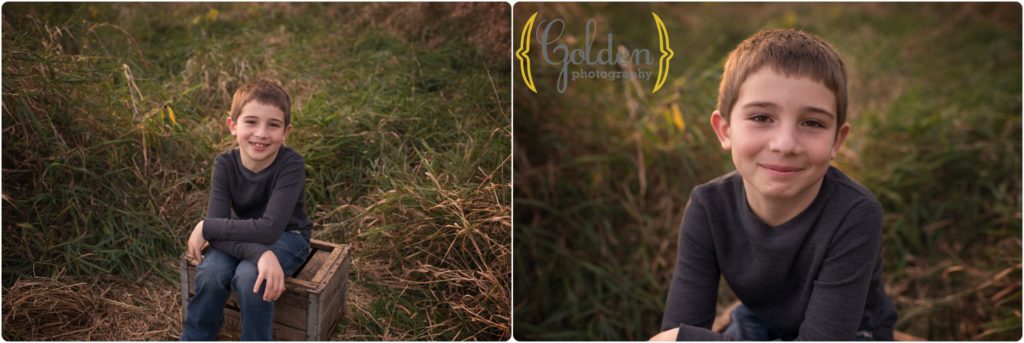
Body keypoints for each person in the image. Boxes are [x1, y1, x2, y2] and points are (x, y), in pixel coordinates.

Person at [651, 29, 898, 341]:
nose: (785, 144)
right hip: (761, 323)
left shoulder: (855, 213)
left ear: (837, 139)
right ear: (725, 130)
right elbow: (679, 325)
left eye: (812, 123)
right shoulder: (708, 207)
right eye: (761, 117)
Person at [181, 79, 313, 341]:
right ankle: (196, 337)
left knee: (251, 276)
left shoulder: (291, 165)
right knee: (211, 271)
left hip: (288, 235)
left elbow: (268, 228)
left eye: (273, 125)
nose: (261, 133)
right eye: (251, 121)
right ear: (233, 125)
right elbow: (221, 228)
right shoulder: (225, 164)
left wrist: (206, 226)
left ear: (286, 131)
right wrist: (259, 252)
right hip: (242, 235)